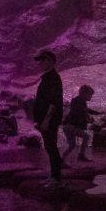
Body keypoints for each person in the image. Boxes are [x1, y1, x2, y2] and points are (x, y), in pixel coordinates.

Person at [32, 50, 65, 183]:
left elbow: (53, 101)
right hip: (46, 119)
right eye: (40, 60)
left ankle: (56, 177)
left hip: (49, 119)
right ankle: (54, 176)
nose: (40, 63)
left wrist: (46, 120)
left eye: (43, 60)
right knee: (50, 146)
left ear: (51, 61)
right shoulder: (48, 77)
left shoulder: (53, 78)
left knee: (51, 146)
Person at [62, 85, 97, 162]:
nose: (91, 97)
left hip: (67, 126)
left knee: (72, 145)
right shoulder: (77, 101)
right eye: (90, 94)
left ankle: (61, 159)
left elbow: (85, 110)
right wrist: (88, 118)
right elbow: (81, 111)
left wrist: (96, 113)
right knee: (86, 136)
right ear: (84, 93)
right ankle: (81, 156)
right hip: (70, 126)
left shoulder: (80, 101)